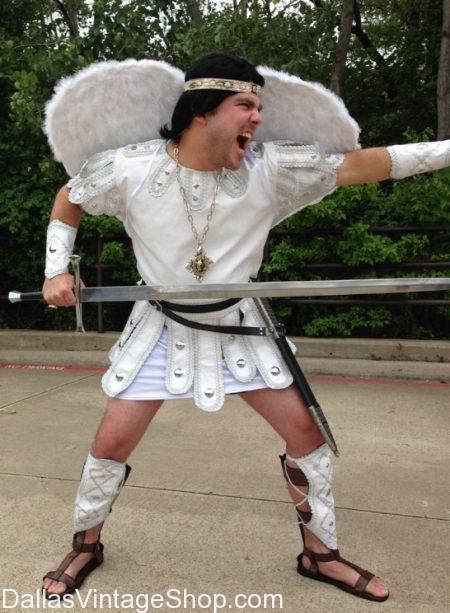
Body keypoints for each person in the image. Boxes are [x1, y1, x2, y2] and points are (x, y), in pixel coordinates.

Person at [41, 52, 449, 602]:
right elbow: (70, 196)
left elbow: (369, 164)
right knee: (110, 442)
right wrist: (55, 270)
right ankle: (85, 545)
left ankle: (320, 555)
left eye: (258, 106)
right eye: (245, 105)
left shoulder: (271, 169)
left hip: (241, 326)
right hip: (161, 327)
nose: (258, 118)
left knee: (306, 436)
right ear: (202, 112)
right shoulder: (130, 168)